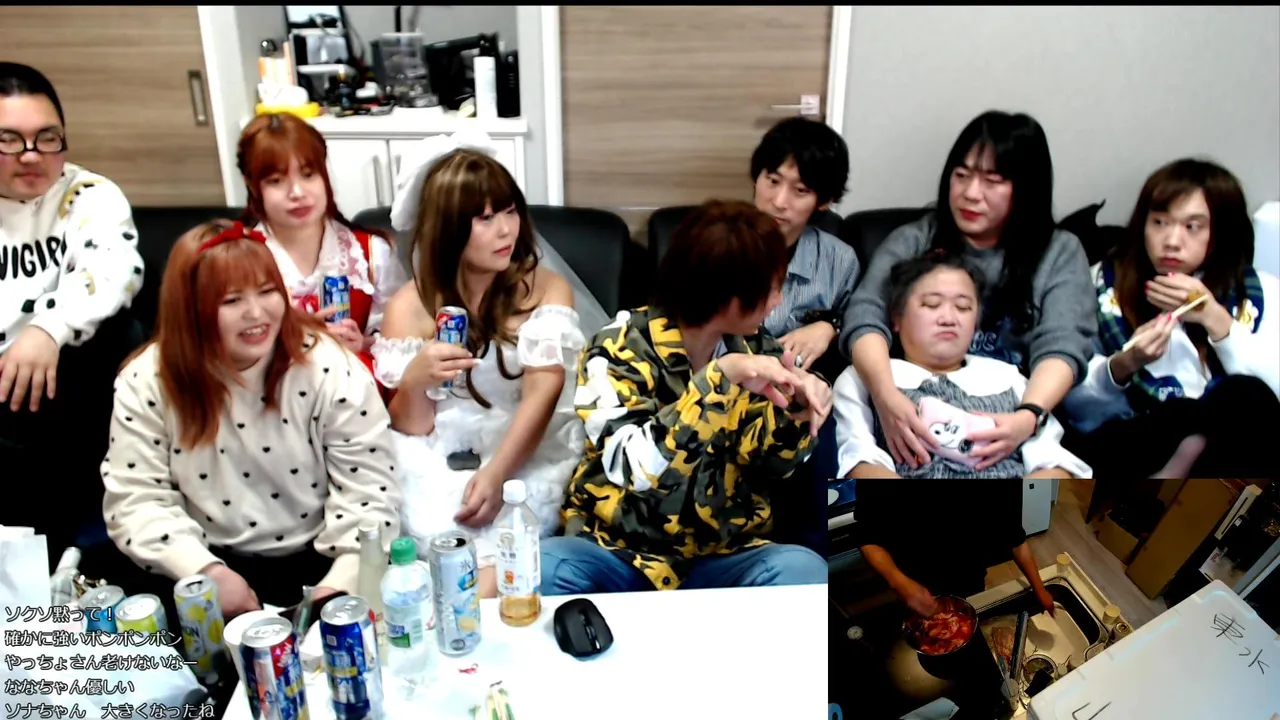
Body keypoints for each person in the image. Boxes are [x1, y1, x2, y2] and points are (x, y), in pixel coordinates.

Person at [100, 220, 402, 622]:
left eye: (267, 291)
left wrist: (336, 588)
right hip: (198, 563)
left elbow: (370, 495)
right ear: (190, 309)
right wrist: (205, 572)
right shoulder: (146, 380)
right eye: (231, 300)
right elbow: (135, 499)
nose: (256, 314)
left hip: (320, 563)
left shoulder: (330, 368)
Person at [542, 200, 832, 594]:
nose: (778, 300)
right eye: (771, 288)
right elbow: (631, 468)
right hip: (619, 551)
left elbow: (772, 466)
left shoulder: (758, 349)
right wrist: (717, 382)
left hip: (721, 554)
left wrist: (796, 410)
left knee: (805, 571)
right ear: (728, 293)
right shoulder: (617, 347)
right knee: (546, 568)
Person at [373, 136, 586, 599]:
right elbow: (412, 428)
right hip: (435, 452)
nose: (506, 230)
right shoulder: (408, 306)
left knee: (498, 558)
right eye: (485, 218)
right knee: (432, 546)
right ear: (447, 227)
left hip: (522, 444)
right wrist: (416, 382)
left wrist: (498, 474)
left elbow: (545, 392)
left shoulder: (545, 290)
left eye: (509, 211)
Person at [840, 110, 1096, 473]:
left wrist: (1027, 417)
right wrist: (885, 396)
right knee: (845, 491)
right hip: (909, 419)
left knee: (1056, 489)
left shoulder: (1058, 253)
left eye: (992, 181)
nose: (971, 194)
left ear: (1026, 188)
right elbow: (865, 315)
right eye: (961, 176)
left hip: (1014, 417)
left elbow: (1064, 344)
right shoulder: (915, 239)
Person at [0, 62, 144, 559]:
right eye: (9, 141)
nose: (31, 155)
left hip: (68, 386)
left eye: (47, 138)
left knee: (121, 334)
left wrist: (49, 327)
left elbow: (117, 269)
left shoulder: (88, 195)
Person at [1062, 159, 1279, 478]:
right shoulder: (1097, 285)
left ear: (1220, 232)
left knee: (1243, 396)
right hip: (1137, 441)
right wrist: (1124, 364)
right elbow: (1074, 409)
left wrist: (1216, 320)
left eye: (1192, 227)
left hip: (1231, 457)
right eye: (1160, 222)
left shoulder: (1262, 292)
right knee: (1181, 415)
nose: (1172, 241)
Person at [834, 251, 1091, 479]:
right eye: (932, 304)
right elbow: (856, 462)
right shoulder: (865, 376)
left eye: (963, 307)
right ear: (896, 318)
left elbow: (1055, 463)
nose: (949, 318)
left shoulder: (1010, 378)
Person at [237, 112, 410, 387]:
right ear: (252, 185)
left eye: (308, 175)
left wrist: (361, 344)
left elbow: (401, 346)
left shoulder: (370, 253)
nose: (297, 192)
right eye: (276, 180)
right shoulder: (236, 261)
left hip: (355, 398)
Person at [750, 116, 859, 373]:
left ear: (824, 201)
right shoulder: (714, 243)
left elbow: (861, 322)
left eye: (800, 190)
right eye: (772, 181)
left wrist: (831, 327)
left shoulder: (839, 260)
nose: (779, 201)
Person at [856, 479, 1056, 617]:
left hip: (969, 575)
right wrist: (900, 584)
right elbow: (867, 536)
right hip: (914, 580)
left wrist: (1039, 589)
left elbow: (1015, 536)